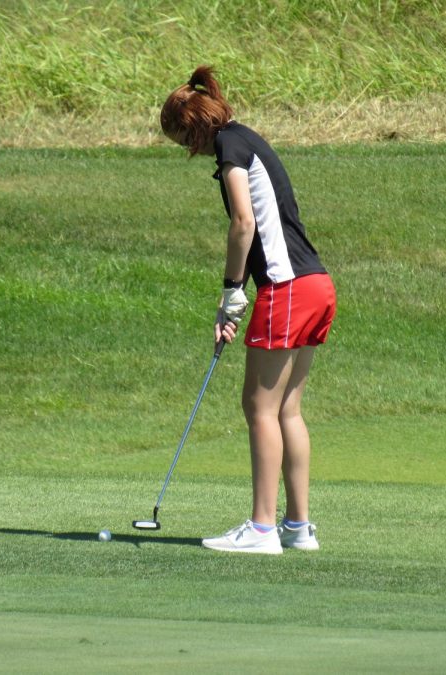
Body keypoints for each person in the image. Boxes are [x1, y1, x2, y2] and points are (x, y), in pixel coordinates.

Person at [160, 65, 337, 555]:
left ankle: (261, 529)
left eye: (181, 141)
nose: (187, 151)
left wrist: (231, 292)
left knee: (258, 407)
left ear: (193, 127)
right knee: (287, 410)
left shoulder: (229, 147)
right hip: (317, 284)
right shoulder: (246, 138)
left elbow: (243, 223)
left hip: (286, 289)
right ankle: (298, 528)